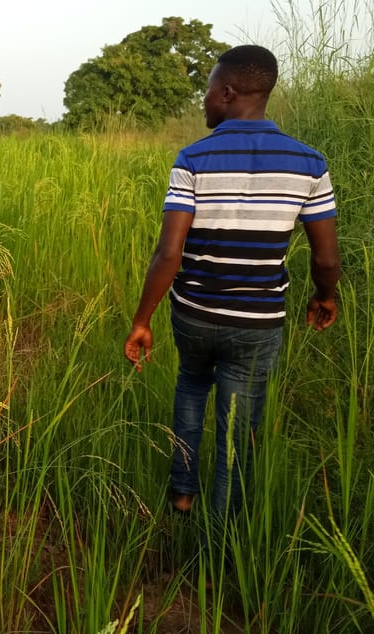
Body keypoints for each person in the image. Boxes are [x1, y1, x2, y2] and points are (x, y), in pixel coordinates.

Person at [123, 45, 341, 524]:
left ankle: (182, 494)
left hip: (194, 312)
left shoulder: (193, 158)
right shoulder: (309, 163)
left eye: (206, 92)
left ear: (226, 93)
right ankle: (219, 538)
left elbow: (169, 253)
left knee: (191, 383)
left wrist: (142, 320)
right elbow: (326, 257)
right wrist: (325, 296)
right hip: (257, 323)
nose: (203, 102)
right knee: (237, 426)